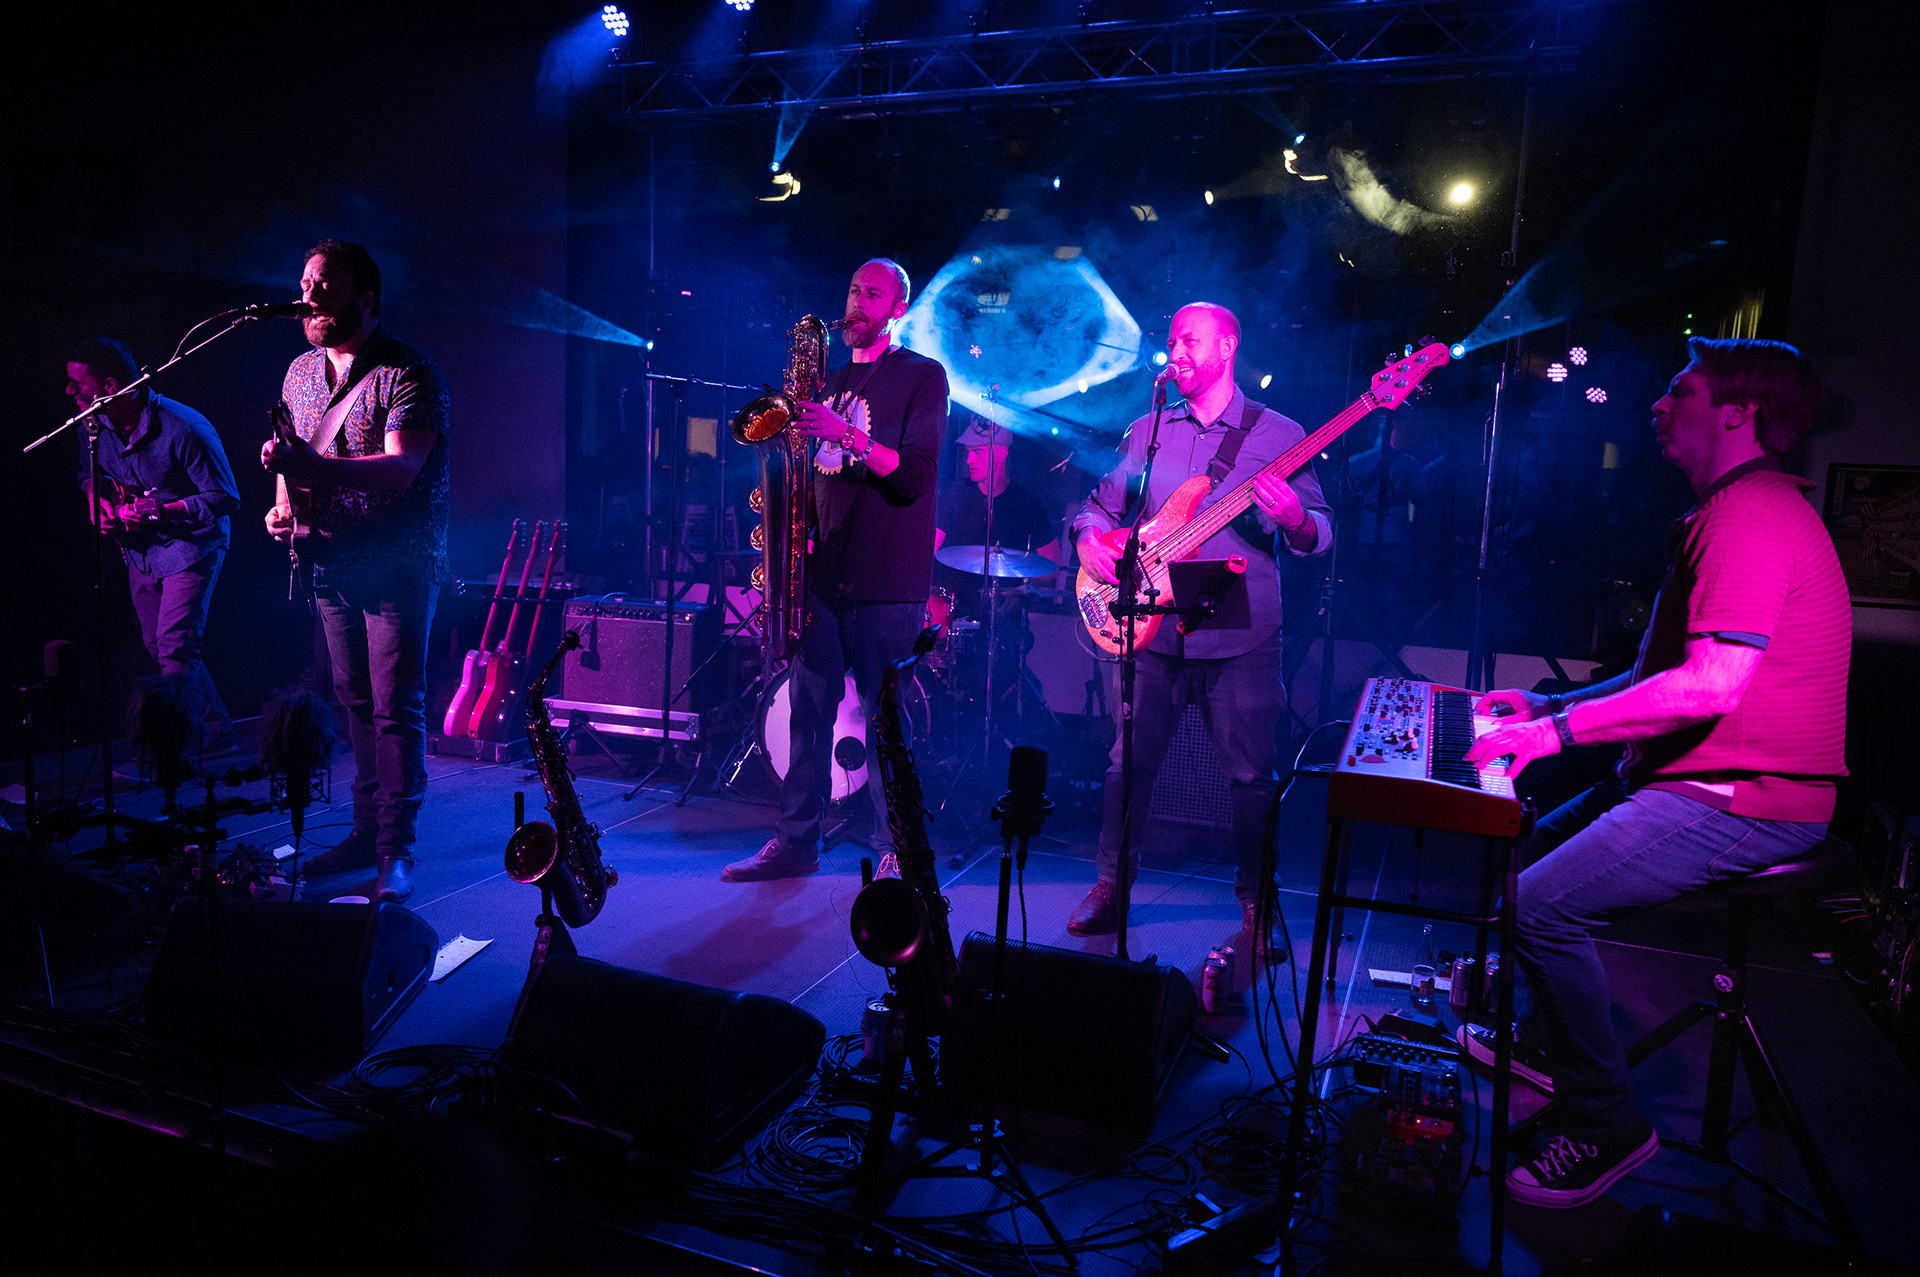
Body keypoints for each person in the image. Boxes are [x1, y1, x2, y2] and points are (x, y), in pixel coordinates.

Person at [1463, 337, 1848, 1210]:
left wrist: (1556, 734)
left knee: (1542, 905)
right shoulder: (1735, 508)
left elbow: (1712, 686)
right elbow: (1660, 677)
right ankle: (1548, 1042)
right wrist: (1549, 707)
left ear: (1739, 411)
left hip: (1745, 799)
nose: (1658, 405)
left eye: (1682, 390)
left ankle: (1607, 1123)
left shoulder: (1749, 518)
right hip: (1704, 779)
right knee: (1525, 859)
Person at [1067, 303, 1332, 944]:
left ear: (1228, 347)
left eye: (1189, 340)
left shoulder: (1280, 433)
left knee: (1251, 779)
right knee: (1127, 765)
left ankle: (1257, 905)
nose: (1176, 351)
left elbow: (1319, 534)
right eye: (1172, 340)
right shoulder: (1149, 429)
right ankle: (1111, 885)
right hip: (1152, 629)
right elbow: (1098, 506)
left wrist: (1295, 518)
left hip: (1241, 638)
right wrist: (1087, 541)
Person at [724, 258, 950, 882]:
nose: (857, 302)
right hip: (820, 578)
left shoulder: (923, 376)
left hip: (888, 582)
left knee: (884, 727)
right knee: (807, 714)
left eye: (873, 293)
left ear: (898, 309)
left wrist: (847, 435)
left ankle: (897, 852)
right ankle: (797, 842)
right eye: (853, 289)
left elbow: (915, 477)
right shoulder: (826, 384)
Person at [262, 240, 451, 903]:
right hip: (330, 560)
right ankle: (366, 832)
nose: (310, 297)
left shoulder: (409, 372)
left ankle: (396, 849)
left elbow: (403, 469)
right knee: (356, 704)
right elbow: (294, 455)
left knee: (397, 707)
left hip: (397, 563)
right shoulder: (299, 373)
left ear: (365, 300)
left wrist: (315, 470)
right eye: (305, 283)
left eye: (326, 287)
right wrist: (283, 509)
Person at [67, 337, 240, 750]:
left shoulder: (184, 428)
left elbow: (225, 498)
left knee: (176, 647)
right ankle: (217, 728)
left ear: (109, 386)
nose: (69, 391)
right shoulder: (93, 427)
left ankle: (177, 745)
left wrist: (162, 511)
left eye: (78, 383)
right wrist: (96, 500)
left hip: (192, 546)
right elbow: (88, 475)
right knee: (158, 646)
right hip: (141, 551)